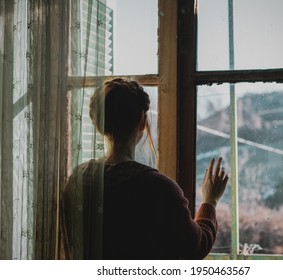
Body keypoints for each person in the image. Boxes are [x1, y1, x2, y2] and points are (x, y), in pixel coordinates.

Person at [60, 78, 229, 260]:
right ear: (142, 122)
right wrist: (210, 201)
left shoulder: (77, 179)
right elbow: (194, 248)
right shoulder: (160, 189)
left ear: (98, 125)